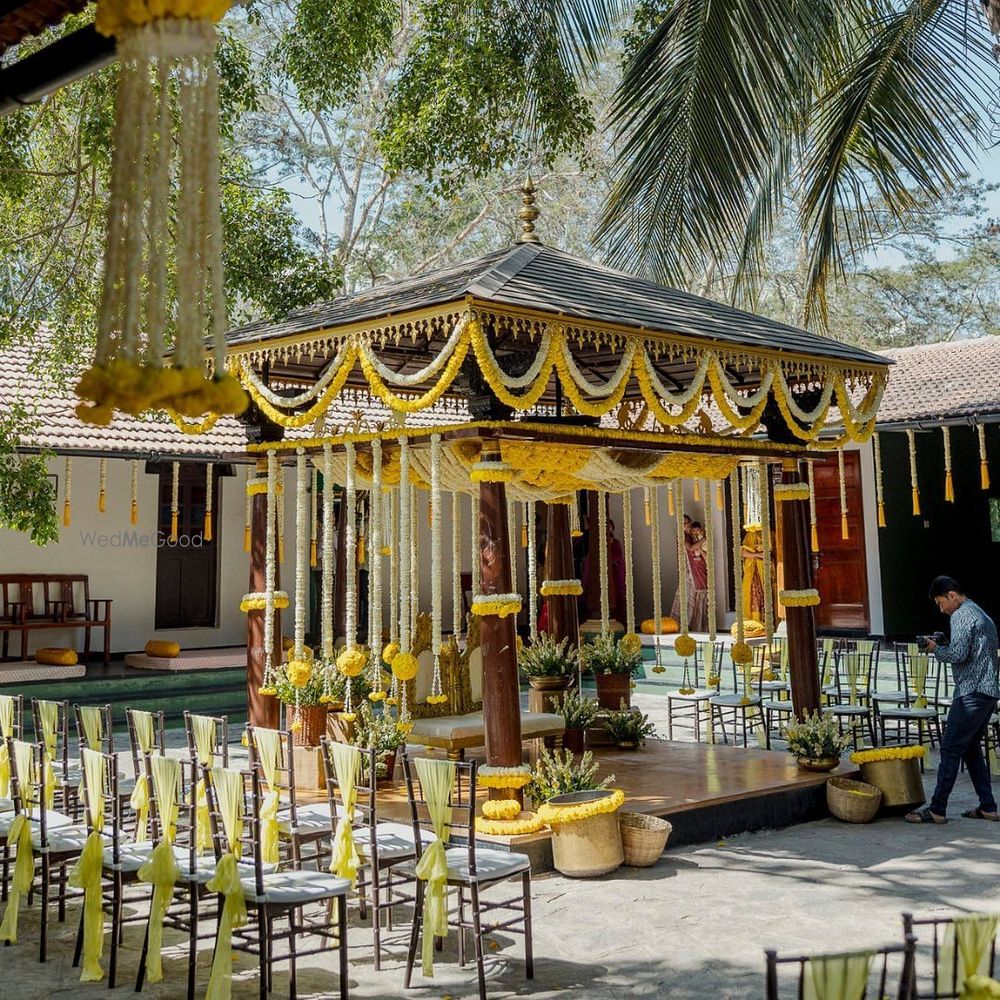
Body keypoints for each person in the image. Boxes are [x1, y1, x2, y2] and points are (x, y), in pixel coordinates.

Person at [905, 576, 1000, 825]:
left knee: (949, 749)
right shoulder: (979, 612)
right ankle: (988, 806)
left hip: (971, 692)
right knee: (969, 749)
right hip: (988, 692)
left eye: (940, 602)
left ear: (952, 595)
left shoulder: (960, 616)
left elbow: (958, 655)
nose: (941, 609)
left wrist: (933, 647)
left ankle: (937, 809)